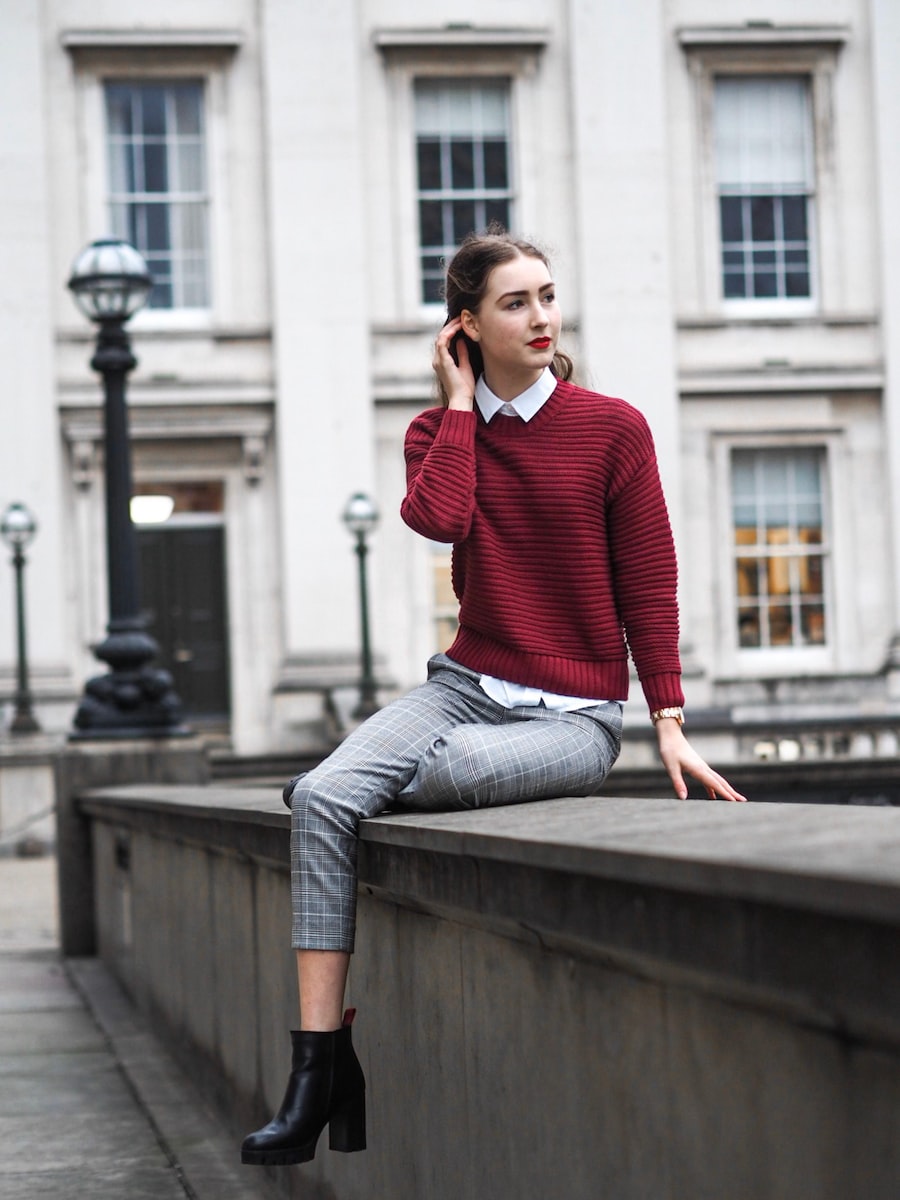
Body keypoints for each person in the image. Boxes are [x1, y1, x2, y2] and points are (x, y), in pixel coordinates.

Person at [240, 230, 746, 1168]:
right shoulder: (439, 436)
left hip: (575, 720)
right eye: (516, 304)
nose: (543, 317)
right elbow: (438, 521)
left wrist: (668, 721)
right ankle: (319, 1072)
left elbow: (650, 580)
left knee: (401, 781)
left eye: (548, 296)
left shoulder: (613, 427)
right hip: (466, 686)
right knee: (320, 799)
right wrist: (461, 404)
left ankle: (347, 786)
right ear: (466, 328)